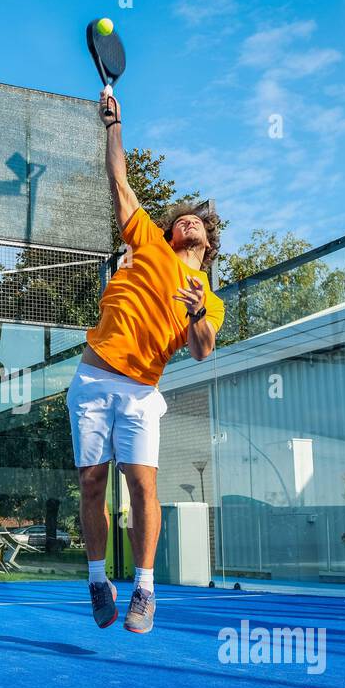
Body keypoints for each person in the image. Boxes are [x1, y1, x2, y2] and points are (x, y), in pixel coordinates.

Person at [67, 89, 224, 634]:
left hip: (140, 392)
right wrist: (114, 123)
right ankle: (95, 580)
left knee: (141, 487)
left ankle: (144, 590)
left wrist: (198, 311)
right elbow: (120, 183)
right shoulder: (149, 244)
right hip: (91, 377)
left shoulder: (209, 296)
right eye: (181, 219)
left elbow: (203, 349)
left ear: (208, 243)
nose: (187, 223)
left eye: (196, 224)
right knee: (91, 482)